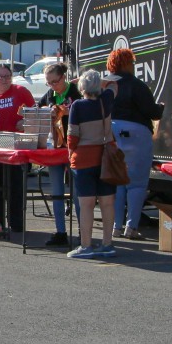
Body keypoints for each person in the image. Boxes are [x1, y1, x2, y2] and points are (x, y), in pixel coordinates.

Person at [105, 48, 164, 240]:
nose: (133, 65)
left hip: (111, 132)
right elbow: (152, 112)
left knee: (117, 182)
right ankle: (132, 227)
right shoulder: (137, 85)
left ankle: (115, 226)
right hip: (137, 133)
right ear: (126, 63)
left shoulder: (105, 83)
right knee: (136, 183)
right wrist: (161, 107)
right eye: (132, 62)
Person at [0, 63, 36, 234]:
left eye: (7, 76)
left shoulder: (21, 91)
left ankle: (16, 222)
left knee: (15, 185)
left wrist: (25, 122)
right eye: (0, 76)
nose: (4, 80)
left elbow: (34, 112)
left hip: (15, 145)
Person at [65, 69, 117, 258]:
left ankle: (86, 245)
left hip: (84, 158)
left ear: (81, 88)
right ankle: (107, 243)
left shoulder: (77, 106)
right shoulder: (107, 101)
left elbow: (72, 135)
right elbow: (113, 85)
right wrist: (99, 81)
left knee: (86, 203)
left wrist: (71, 155)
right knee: (107, 202)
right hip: (106, 156)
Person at [36, 61, 77, 248]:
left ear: (63, 77)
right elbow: (36, 111)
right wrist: (45, 112)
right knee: (57, 191)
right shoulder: (50, 95)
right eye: (49, 83)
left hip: (75, 147)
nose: (53, 86)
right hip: (54, 148)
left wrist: (70, 112)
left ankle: (84, 234)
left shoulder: (75, 92)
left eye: (55, 82)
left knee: (77, 193)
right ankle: (60, 231)